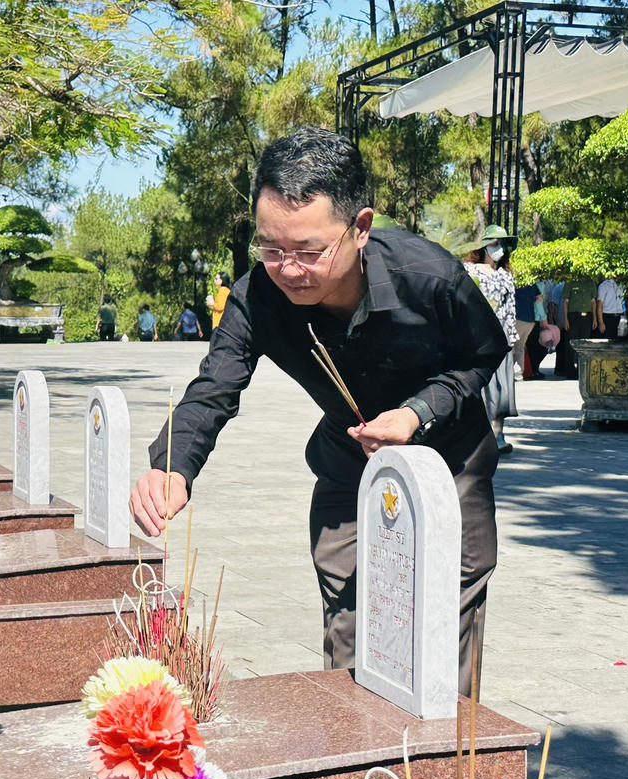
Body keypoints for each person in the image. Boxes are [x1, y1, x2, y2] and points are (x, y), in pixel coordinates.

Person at [129, 127, 508, 698]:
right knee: (350, 619)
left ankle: (448, 775)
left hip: (449, 460)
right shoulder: (257, 297)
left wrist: (415, 413)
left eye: (309, 251)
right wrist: (173, 465)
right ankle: (354, 764)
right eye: (271, 248)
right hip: (347, 461)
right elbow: (214, 386)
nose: (288, 269)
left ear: (359, 227)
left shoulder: (429, 278)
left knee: (445, 624)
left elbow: (485, 352)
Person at [462, 226, 519, 455]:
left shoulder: (505, 276)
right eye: (495, 243)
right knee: (479, 387)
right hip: (476, 337)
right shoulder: (469, 271)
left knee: (502, 389)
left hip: (501, 338)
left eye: (502, 244)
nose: (499, 249)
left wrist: (512, 339)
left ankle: (498, 434)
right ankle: (475, 436)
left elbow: (510, 309)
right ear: (484, 245)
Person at [559, 275, 596, 377]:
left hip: (587, 316)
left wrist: (595, 319)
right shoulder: (570, 282)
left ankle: (582, 370)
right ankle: (570, 371)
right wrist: (566, 319)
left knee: (585, 343)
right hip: (573, 316)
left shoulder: (591, 282)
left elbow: (593, 302)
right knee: (571, 343)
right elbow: (566, 302)